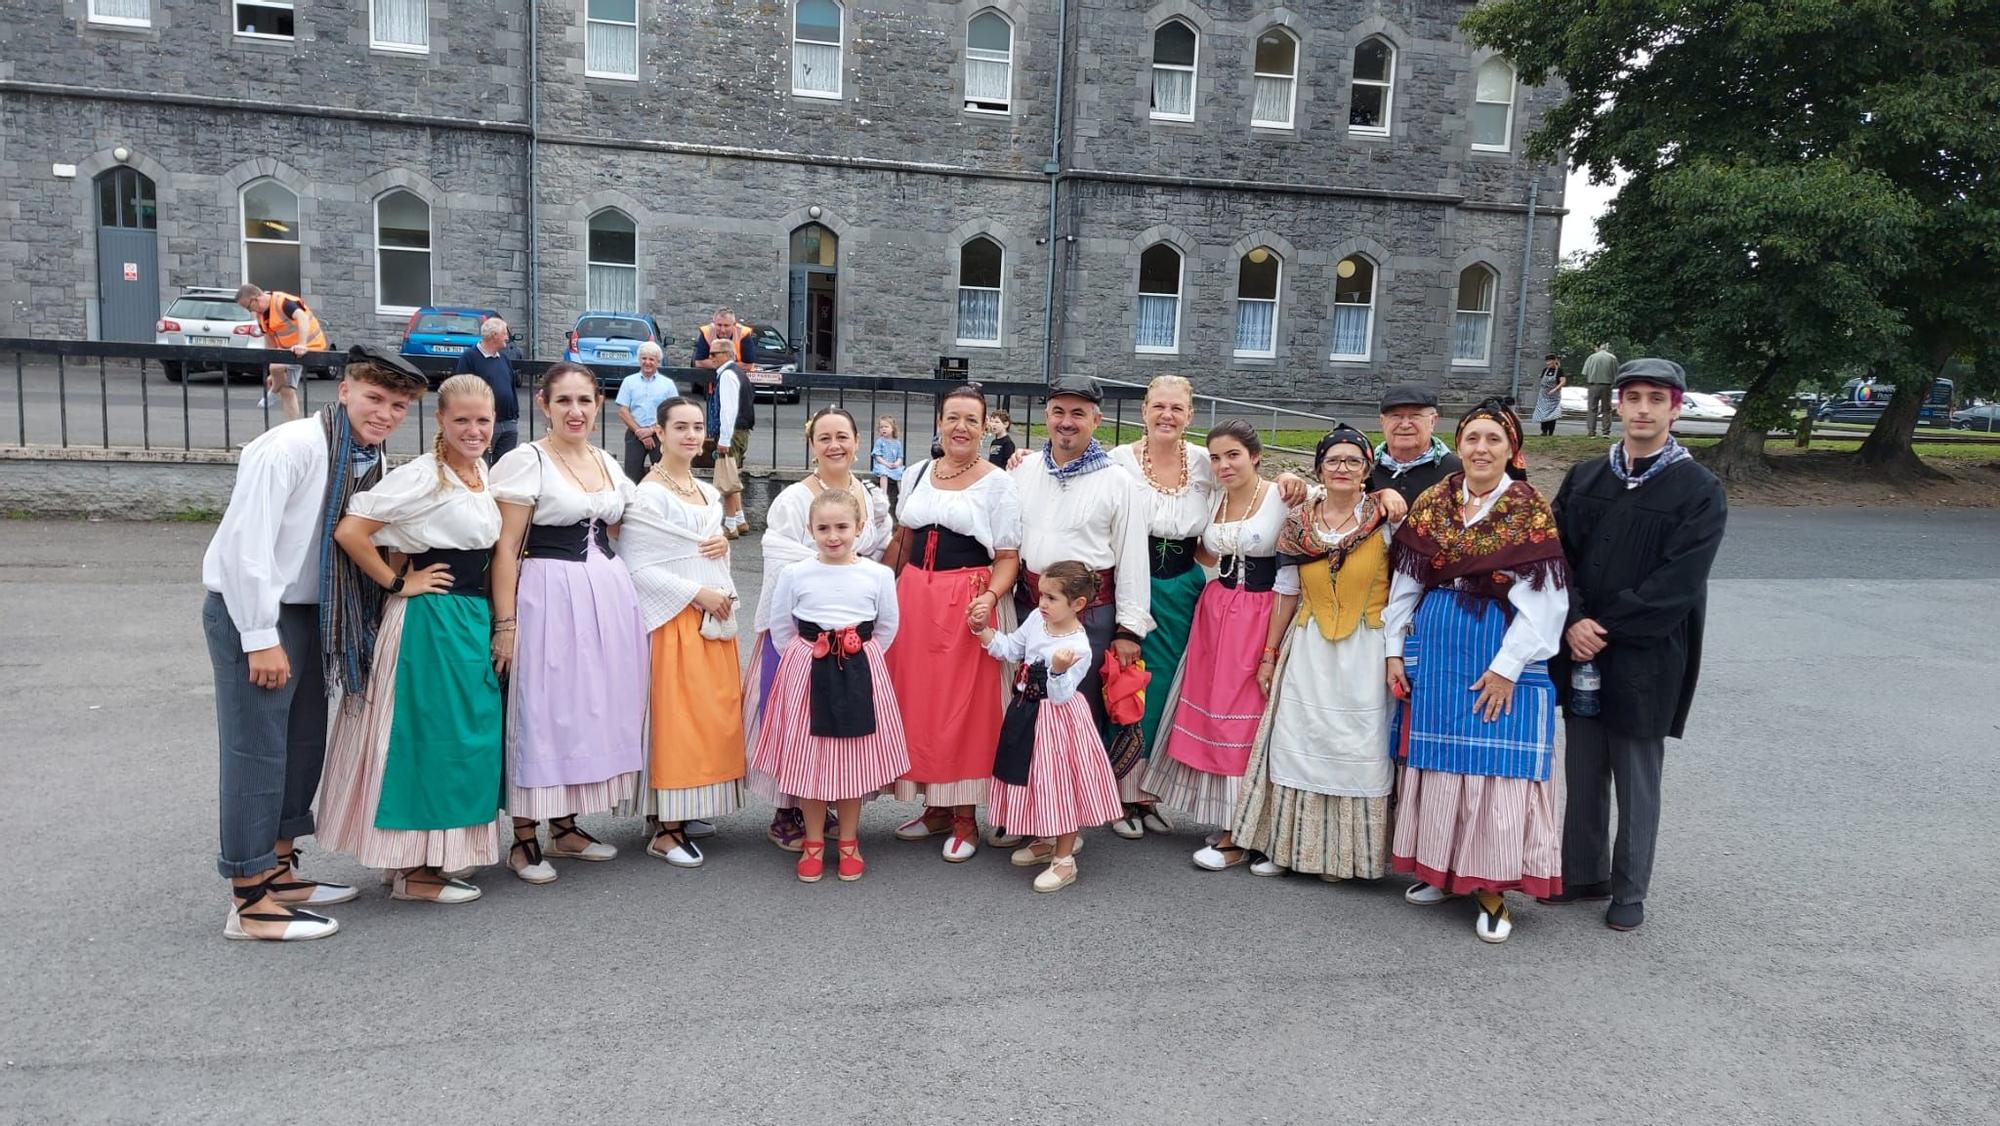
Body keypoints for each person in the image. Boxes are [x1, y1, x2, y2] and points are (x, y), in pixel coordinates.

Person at [200, 344, 429, 941]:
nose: (386, 414)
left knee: (303, 744)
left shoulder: (366, 456)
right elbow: (245, 547)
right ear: (346, 391)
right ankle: (249, 901)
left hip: (310, 614)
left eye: (399, 406)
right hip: (258, 613)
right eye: (376, 399)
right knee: (257, 751)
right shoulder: (292, 447)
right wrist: (258, 637)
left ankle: (279, 868)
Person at [1547, 359, 1728, 933]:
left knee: (1636, 773)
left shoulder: (1698, 490)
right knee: (1583, 762)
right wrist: (1572, 619)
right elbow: (1554, 555)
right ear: (1618, 405)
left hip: (1645, 653)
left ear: (1675, 408)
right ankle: (1582, 872)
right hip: (1577, 646)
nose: (1644, 409)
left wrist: (1604, 627)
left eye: (1657, 398)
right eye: (1634, 398)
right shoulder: (1585, 479)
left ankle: (1629, 888)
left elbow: (1680, 580)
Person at [1384, 400, 1570, 944]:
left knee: (1495, 766)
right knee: (1440, 761)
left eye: (1493, 439)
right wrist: (1394, 649)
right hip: (1438, 644)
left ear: (1512, 450)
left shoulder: (1527, 508)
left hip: (1500, 644)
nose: (1482, 449)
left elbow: (1546, 601)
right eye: (1472, 439)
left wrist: (1508, 668)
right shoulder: (1435, 502)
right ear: (1458, 446)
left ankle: (1491, 888)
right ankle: (1441, 871)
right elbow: (1405, 584)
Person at [318, 374, 505, 905]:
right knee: (424, 739)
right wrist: (400, 582)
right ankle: (416, 872)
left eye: (482, 420)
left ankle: (418, 860)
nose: (473, 430)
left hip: (466, 615)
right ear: (440, 422)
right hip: (430, 619)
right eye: (462, 420)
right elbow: (351, 530)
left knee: (460, 737)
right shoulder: (425, 476)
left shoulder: (478, 473)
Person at [489, 362, 649, 883]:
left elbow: (635, 522)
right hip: (548, 592)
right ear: (544, 405)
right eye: (564, 401)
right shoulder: (525, 460)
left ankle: (566, 826)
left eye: (585, 400)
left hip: (605, 591)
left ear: (599, 404)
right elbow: (507, 547)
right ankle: (523, 837)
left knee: (583, 708)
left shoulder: (604, 460)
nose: (576, 411)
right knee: (542, 706)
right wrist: (506, 622)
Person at [1230, 426, 1395, 881]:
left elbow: (1404, 592)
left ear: (1367, 471)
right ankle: (1289, 848)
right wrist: (1268, 654)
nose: (1342, 468)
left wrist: (1396, 652)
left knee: (1356, 745)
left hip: (1365, 646)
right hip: (1308, 643)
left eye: (1353, 461)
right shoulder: (1300, 521)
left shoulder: (1386, 519)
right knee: (1300, 742)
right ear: (1320, 467)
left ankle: (1345, 858)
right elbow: (1285, 591)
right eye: (1334, 460)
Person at [1145, 421, 1299, 868]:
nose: (1223, 464)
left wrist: (1272, 646)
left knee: (1246, 719)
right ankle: (1232, 819)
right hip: (1216, 611)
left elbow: (1295, 564)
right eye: (1215, 457)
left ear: (1255, 455)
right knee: (1213, 713)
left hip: (1261, 611)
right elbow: (1207, 555)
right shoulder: (1214, 498)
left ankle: (1244, 832)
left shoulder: (1283, 496)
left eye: (1232, 454)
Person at [1008, 376, 1153, 847]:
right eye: (1057, 412)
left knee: (1072, 720)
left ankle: (1065, 826)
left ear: (1097, 419)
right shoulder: (1025, 469)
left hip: (1088, 613)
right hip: (1032, 606)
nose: (1066, 422)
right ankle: (1032, 816)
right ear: (1046, 416)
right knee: (1029, 713)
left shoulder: (1118, 481)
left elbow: (1132, 553)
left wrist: (1129, 628)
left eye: (1077, 414)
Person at [880, 386, 1022, 862]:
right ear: (939, 422)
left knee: (964, 708)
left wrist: (989, 597)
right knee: (919, 702)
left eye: (971, 420)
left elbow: (1007, 557)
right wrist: (879, 591)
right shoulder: (918, 472)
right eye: (952, 418)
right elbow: (903, 540)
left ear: (986, 428)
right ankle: (935, 806)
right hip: (914, 597)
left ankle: (965, 816)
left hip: (966, 600)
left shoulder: (999, 483)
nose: (961, 427)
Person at [744, 407, 896, 851]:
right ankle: (787, 809)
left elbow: (879, 549)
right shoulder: (793, 499)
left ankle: (832, 805)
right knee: (795, 722)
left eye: (842, 436)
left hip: (851, 627)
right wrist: (797, 636)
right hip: (800, 629)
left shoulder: (868, 496)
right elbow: (779, 556)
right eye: (824, 437)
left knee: (840, 725)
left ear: (856, 440)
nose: (834, 445)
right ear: (812, 444)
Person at [619, 396, 746, 868]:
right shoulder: (649, 494)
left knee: (709, 716)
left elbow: (709, 552)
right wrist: (698, 592)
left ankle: (685, 809)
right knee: (677, 721)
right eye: (681, 427)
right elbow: (638, 565)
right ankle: (664, 829)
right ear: (661, 431)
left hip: (710, 615)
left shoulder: (708, 492)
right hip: (675, 618)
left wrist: (720, 558)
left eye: (697, 427)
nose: (691, 435)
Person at [1105, 375, 1216, 838]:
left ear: (1190, 416)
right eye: (1158, 407)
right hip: (1133, 580)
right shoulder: (1116, 462)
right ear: (1143, 411)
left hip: (1184, 589)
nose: (1167, 416)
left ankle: (1150, 794)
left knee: (1169, 690)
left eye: (1177, 408)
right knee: (1126, 686)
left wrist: (1291, 481)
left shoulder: (1208, 462)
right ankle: (1120, 795)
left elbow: (1252, 482)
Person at [971, 561, 1125, 892]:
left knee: (1059, 784)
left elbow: (1061, 694)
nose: (1042, 603)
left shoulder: (1079, 646)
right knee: (1032, 779)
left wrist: (1056, 670)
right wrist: (983, 631)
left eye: (1052, 598)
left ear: (1077, 604)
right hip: (1026, 712)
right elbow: (1012, 649)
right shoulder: (1037, 621)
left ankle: (1065, 859)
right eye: (1042, 595)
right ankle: (1045, 839)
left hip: (1058, 722)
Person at [693, 308, 759, 537]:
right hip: (740, 431)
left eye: (714, 355)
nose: (710, 359)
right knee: (733, 475)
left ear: (725, 355)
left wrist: (723, 439)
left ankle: (730, 524)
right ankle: (740, 520)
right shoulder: (734, 373)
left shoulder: (729, 375)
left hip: (732, 432)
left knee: (727, 479)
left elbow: (728, 410)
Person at [235, 283, 328, 423]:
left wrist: (302, 344)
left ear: (256, 298)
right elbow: (269, 339)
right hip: (290, 352)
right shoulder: (261, 316)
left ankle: (273, 392)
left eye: (248, 307)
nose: (250, 311)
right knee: (287, 390)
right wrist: (272, 373)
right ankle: (293, 427)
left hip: (310, 346)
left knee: (275, 367)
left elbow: (301, 317)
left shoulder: (281, 301)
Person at [1370, 384, 1463, 506]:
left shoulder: (1458, 472)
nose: (1405, 425)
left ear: (1433, 421)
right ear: (1382, 421)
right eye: (1396, 416)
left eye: (1415, 416)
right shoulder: (1362, 468)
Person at [454, 317, 521, 463]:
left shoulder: (504, 359)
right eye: (505, 333)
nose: (507, 337)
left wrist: (515, 415)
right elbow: (462, 390)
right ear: (494, 335)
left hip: (509, 422)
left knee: (505, 466)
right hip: (484, 423)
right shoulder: (469, 358)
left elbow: (511, 387)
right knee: (480, 464)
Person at [615, 342, 676, 483]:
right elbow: (623, 411)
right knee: (631, 477)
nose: (647, 362)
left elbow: (672, 412)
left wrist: (650, 430)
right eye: (644, 358)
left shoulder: (668, 384)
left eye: (651, 359)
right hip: (634, 433)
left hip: (660, 434)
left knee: (663, 476)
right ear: (639, 360)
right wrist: (640, 432)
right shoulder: (629, 382)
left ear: (657, 362)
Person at [1580, 342, 1619, 438]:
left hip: (1593, 385)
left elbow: (1585, 372)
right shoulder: (1612, 358)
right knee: (1606, 409)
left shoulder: (1591, 357)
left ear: (1597, 348)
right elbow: (1616, 372)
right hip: (1607, 386)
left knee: (1592, 409)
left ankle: (1591, 432)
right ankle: (1605, 432)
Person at [871, 415, 906, 512]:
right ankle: (884, 494)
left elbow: (900, 457)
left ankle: (902, 494)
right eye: (881, 427)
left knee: (900, 472)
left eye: (886, 427)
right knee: (883, 473)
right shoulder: (880, 442)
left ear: (892, 429)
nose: (883, 429)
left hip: (893, 465)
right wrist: (885, 463)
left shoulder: (897, 443)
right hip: (883, 465)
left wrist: (897, 463)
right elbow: (877, 456)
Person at [1531, 353, 1567, 437]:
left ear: (1554, 361)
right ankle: (1544, 431)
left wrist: (1555, 389)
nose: (1548, 363)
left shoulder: (1559, 370)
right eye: (1547, 361)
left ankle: (1551, 432)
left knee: (1552, 415)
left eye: (1550, 361)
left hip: (1554, 396)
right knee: (1543, 413)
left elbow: (1563, 381)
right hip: (1543, 395)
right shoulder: (1545, 370)